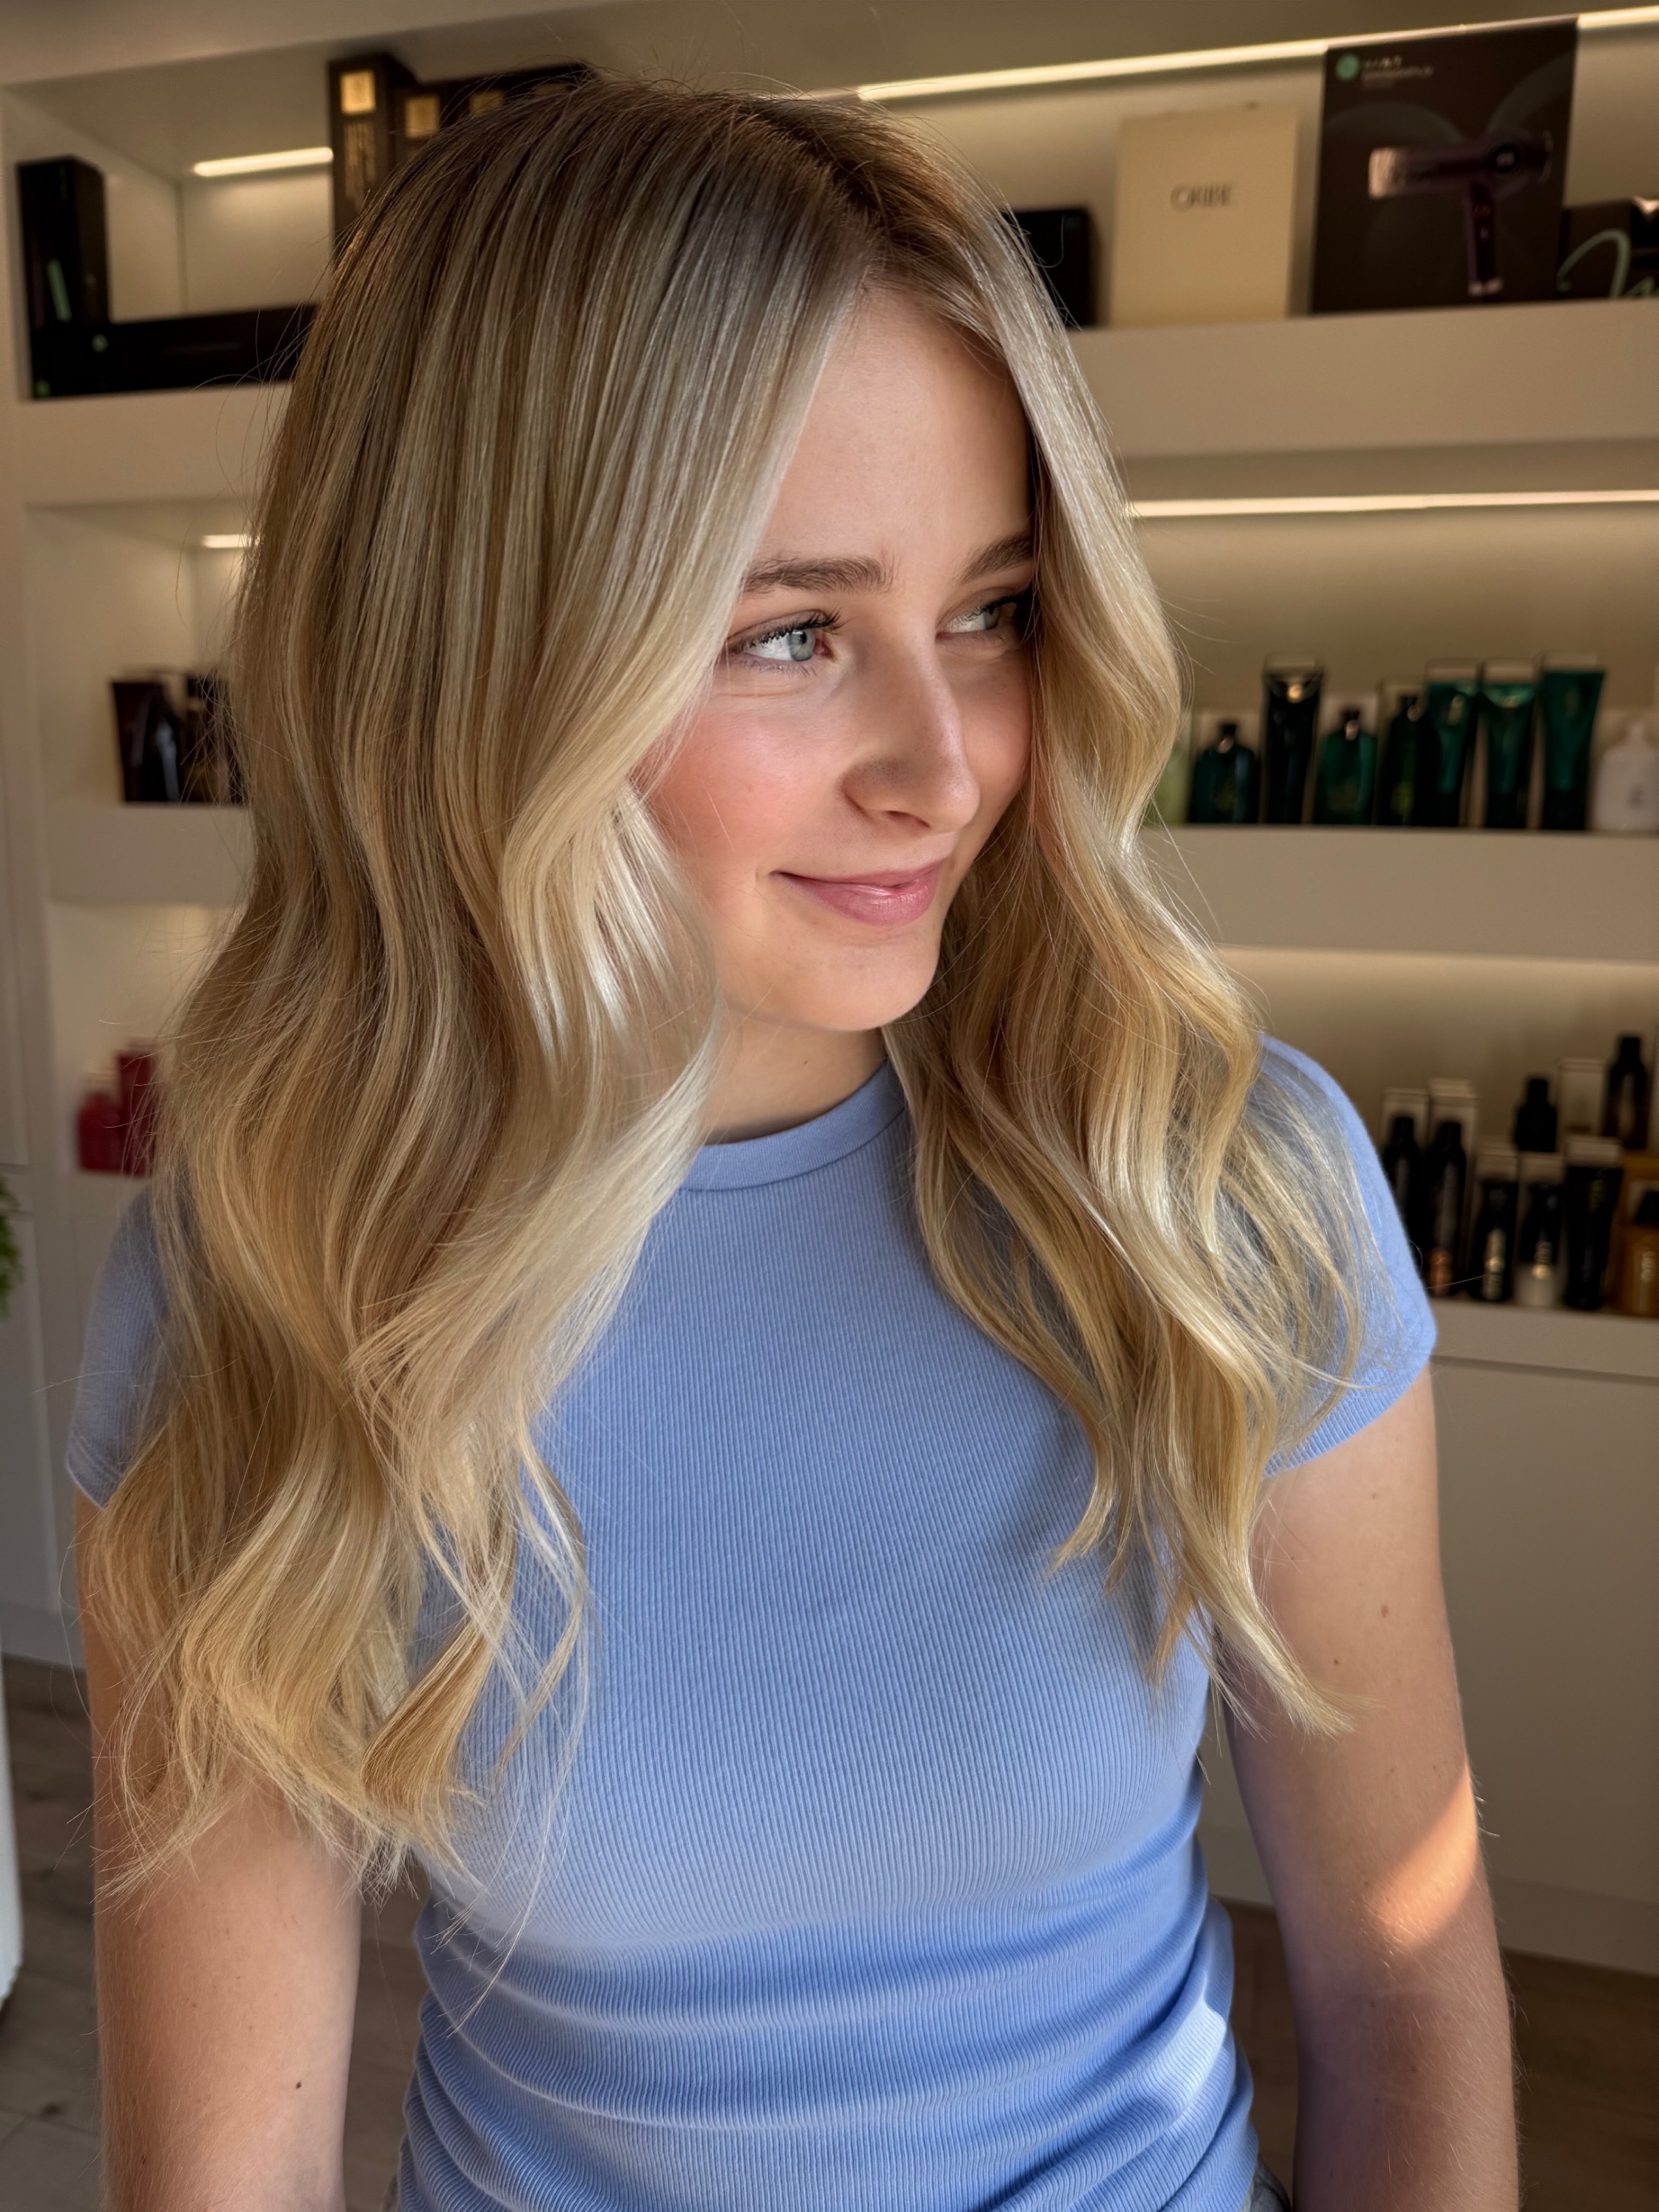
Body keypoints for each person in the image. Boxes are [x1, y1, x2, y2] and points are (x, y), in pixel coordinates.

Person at [66, 75, 1517, 2212]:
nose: (949, 764)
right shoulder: (270, 1290)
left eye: (993, 609)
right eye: (794, 634)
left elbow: (1405, 1995)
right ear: (489, 665)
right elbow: (222, 2180)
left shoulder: (1215, 1196)